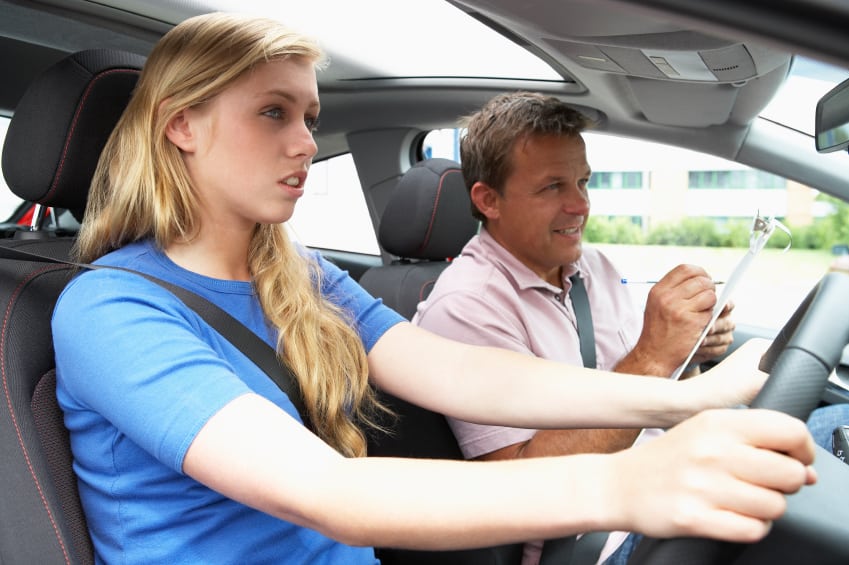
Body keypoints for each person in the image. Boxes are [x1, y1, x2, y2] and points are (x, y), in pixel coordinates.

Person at [51, 13, 818, 565]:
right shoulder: (112, 310)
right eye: (272, 112)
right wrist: (625, 480)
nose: (307, 142)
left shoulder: (296, 271)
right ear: (182, 125)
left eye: (310, 115)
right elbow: (325, 490)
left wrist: (685, 400)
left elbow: (454, 369)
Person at [412, 90, 849, 565]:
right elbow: (520, 485)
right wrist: (653, 356)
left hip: (675, 473)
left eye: (583, 182)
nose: (580, 206)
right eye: (552, 187)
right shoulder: (465, 307)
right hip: (602, 541)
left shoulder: (594, 267)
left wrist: (689, 354)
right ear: (488, 200)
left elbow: (655, 402)